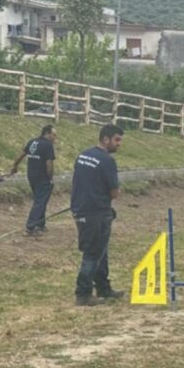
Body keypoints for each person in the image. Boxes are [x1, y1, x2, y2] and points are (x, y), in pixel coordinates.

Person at [70, 124, 123, 306]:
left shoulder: (83, 155)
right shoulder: (107, 161)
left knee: (101, 251)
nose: (119, 144)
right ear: (106, 139)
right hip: (96, 212)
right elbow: (114, 192)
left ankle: (103, 287)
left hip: (80, 209)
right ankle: (83, 293)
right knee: (93, 253)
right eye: (117, 140)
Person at [10, 124, 57, 236]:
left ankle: (40, 224)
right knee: (40, 201)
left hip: (31, 176)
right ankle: (30, 227)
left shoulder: (32, 142)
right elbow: (49, 163)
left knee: (40, 199)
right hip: (43, 177)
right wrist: (50, 178)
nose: (55, 137)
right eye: (53, 135)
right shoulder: (47, 145)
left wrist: (15, 166)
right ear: (47, 133)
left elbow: (21, 155)